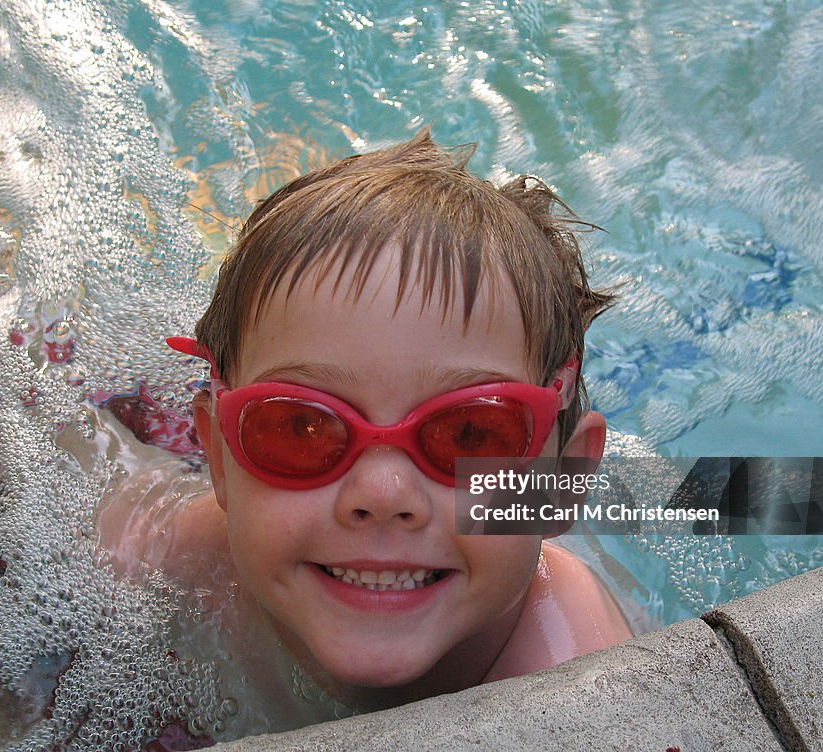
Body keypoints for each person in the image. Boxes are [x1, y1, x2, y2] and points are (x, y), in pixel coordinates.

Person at [97, 128, 631, 728]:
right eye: (300, 426)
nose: (382, 496)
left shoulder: (575, 680)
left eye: (469, 434)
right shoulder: (166, 558)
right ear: (220, 458)